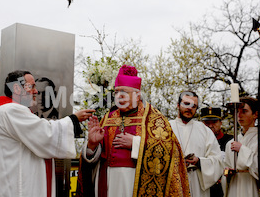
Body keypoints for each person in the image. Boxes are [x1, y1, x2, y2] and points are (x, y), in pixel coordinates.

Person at [0, 70, 95, 197]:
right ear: (16, 88)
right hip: (13, 188)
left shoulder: (2, 111)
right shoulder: (11, 110)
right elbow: (45, 134)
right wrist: (74, 119)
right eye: (31, 86)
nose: (36, 92)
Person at [76, 65, 190, 197]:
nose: (119, 96)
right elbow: (95, 158)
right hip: (107, 183)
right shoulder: (108, 117)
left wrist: (136, 144)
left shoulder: (154, 119)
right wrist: (92, 145)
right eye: (116, 92)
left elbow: (170, 151)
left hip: (135, 183)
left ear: (137, 96)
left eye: (124, 92)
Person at [169, 91, 224, 197]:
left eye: (194, 106)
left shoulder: (204, 130)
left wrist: (199, 162)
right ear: (178, 105)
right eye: (186, 104)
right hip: (174, 181)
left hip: (197, 183)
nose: (189, 108)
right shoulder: (166, 127)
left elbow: (218, 160)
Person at [224, 96, 259, 197]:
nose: (239, 115)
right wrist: (227, 173)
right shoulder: (230, 143)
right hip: (234, 186)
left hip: (251, 186)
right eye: (237, 112)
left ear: (255, 114)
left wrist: (242, 150)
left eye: (244, 111)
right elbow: (225, 168)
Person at [200, 106, 233, 197]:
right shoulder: (198, 142)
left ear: (220, 123)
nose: (210, 126)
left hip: (225, 187)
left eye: (214, 122)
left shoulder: (230, 141)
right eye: (207, 123)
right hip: (204, 187)